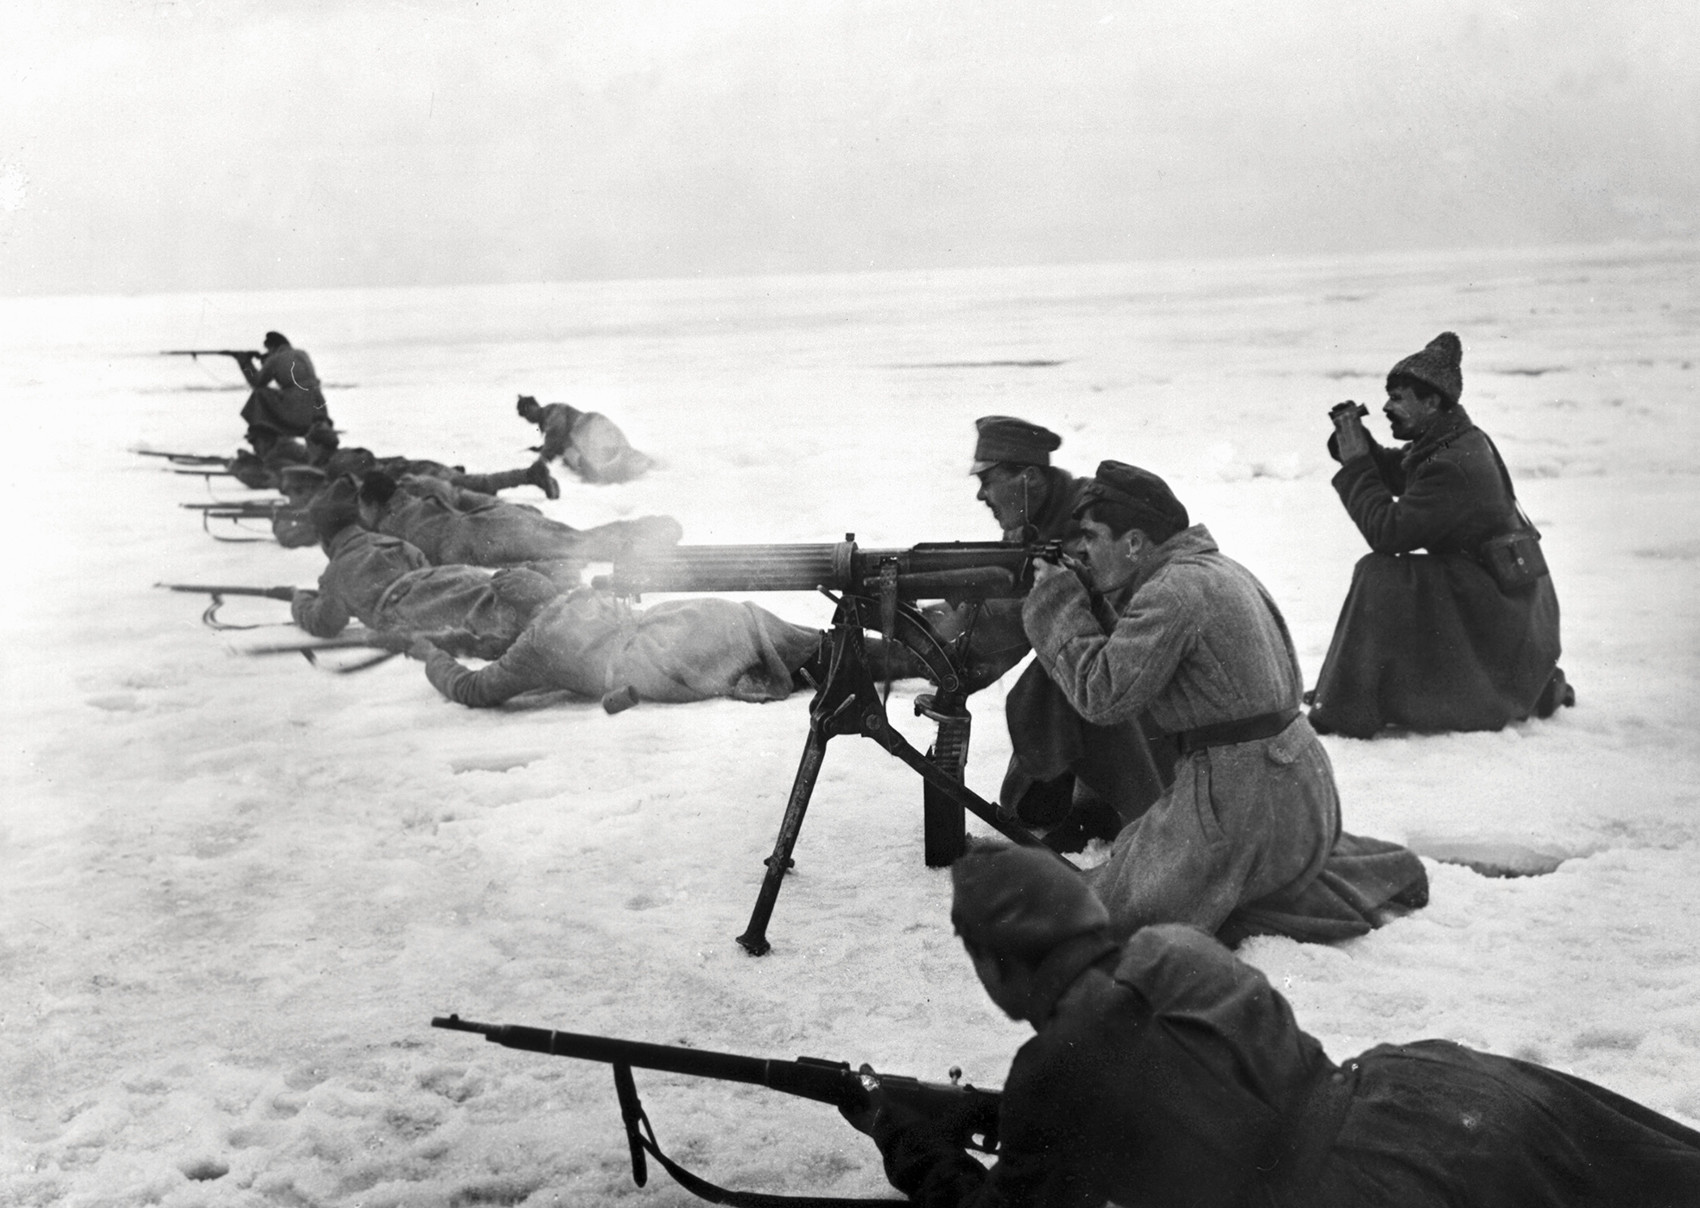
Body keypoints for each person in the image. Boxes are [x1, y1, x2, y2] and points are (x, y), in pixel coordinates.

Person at [847, 842, 1700, 1207]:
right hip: (1428, 1093)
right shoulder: (1175, 948)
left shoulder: (1057, 1065)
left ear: (998, 962)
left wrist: (903, 1135)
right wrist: (992, 1113)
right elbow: (1172, 1093)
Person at [1020, 460, 1425, 943]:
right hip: (1298, 790)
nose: (1082, 548)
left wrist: (1057, 602)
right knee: (1138, 868)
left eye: (1091, 535)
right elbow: (1142, 657)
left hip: (1241, 800)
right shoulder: (1214, 570)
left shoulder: (1171, 592)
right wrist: (1093, 599)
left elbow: (1102, 695)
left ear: (1133, 543)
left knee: (1099, 916)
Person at [1309, 331, 1572, 738]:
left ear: (1432, 401)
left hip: (1499, 609)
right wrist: (1361, 448)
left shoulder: (1455, 464)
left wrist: (1359, 466)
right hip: (1503, 595)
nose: (1386, 406)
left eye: (1398, 397)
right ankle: (1351, 691)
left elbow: (1388, 533)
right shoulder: (1453, 440)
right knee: (1389, 574)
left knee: (1378, 573)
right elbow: (1407, 472)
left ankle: (1348, 702)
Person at [932, 417, 1175, 852]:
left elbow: (1044, 624)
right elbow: (1011, 632)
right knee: (1031, 807)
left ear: (1028, 480)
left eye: (988, 480)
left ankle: (1098, 807)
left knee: (1074, 664)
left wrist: (946, 627)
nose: (980, 495)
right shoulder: (1030, 525)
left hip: (1140, 683)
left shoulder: (1091, 523)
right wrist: (945, 655)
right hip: (1105, 679)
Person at [407, 588, 826, 711]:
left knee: (824, 664)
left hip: (664, 659)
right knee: (817, 650)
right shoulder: (571, 598)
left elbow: (473, 690)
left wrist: (430, 655)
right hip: (691, 618)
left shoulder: (532, 647)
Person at [288, 476, 562, 659]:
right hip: (444, 577)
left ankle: (556, 630)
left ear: (324, 540)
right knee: (489, 593)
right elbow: (420, 560)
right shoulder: (387, 540)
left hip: (407, 604)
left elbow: (326, 622)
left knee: (488, 617)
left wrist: (299, 600)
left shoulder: (334, 573)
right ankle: (562, 611)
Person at [357, 470, 682, 575]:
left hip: (479, 538)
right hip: (491, 520)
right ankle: (649, 529)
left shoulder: (389, 529)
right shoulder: (419, 494)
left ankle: (648, 537)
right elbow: (460, 494)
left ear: (373, 503)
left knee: (573, 544)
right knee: (570, 540)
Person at [303, 422, 560, 500]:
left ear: (317, 446)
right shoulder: (348, 453)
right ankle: (527, 475)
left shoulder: (337, 464)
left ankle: (529, 475)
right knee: (471, 485)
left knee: (474, 485)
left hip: (415, 476)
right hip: (415, 468)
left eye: (309, 447)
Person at [516, 395, 653, 485]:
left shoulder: (552, 411)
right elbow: (555, 440)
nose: (527, 418)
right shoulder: (547, 420)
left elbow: (556, 434)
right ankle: (637, 474)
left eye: (526, 413)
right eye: (523, 416)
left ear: (533, 407)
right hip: (589, 431)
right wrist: (543, 450)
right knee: (607, 461)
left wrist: (542, 458)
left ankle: (641, 472)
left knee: (610, 458)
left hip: (589, 427)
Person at [234, 332, 331, 456]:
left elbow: (257, 382)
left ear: (272, 347)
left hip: (297, 407)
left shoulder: (275, 359)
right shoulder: (301, 353)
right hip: (317, 405)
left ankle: (264, 434)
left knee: (259, 394)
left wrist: (245, 362)